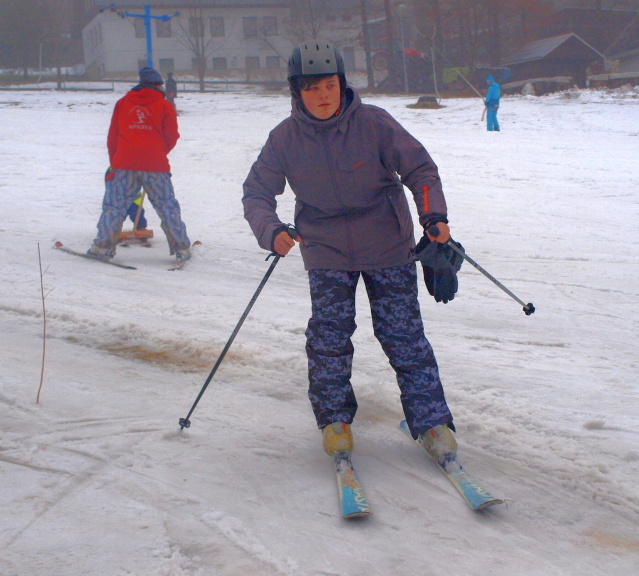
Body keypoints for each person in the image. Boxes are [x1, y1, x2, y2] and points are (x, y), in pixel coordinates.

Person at [242, 40, 459, 460]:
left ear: (341, 84)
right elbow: (256, 193)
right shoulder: (284, 138)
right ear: (296, 92)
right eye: (311, 88)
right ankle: (334, 421)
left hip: (387, 243)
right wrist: (270, 230)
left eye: (330, 85)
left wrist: (434, 216)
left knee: (404, 337)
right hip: (325, 249)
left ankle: (432, 422)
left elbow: (420, 169)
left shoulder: (374, 123)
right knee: (329, 338)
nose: (323, 96)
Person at [88, 66, 191, 261]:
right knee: (167, 207)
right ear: (158, 85)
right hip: (156, 165)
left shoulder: (122, 103)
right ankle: (182, 248)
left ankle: (102, 247)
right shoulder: (165, 105)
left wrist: (115, 162)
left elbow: (113, 137)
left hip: (123, 163)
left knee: (114, 207)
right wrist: (157, 153)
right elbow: (172, 136)